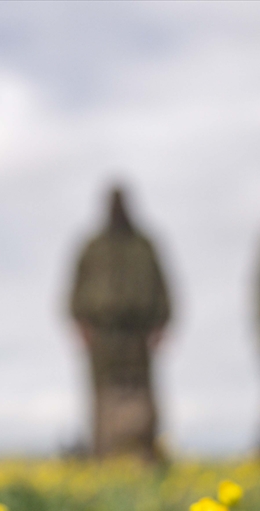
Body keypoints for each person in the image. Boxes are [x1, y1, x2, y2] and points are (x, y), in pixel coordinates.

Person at [70, 185, 171, 460]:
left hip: (138, 332)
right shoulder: (93, 247)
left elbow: (161, 286)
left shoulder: (144, 246)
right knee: (103, 393)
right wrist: (80, 323)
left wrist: (162, 322)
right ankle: (103, 454)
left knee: (141, 391)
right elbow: (76, 289)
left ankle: (146, 454)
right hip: (102, 332)